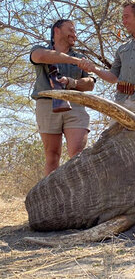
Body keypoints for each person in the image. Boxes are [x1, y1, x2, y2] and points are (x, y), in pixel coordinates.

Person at [30, 19, 96, 176]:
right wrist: (74, 61)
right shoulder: (40, 50)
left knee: (78, 154)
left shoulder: (82, 57)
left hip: (76, 104)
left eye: (75, 31)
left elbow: (90, 84)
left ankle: (81, 197)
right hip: (47, 105)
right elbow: (40, 56)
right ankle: (51, 199)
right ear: (57, 31)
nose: (74, 34)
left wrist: (71, 82)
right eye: (71, 30)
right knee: (52, 156)